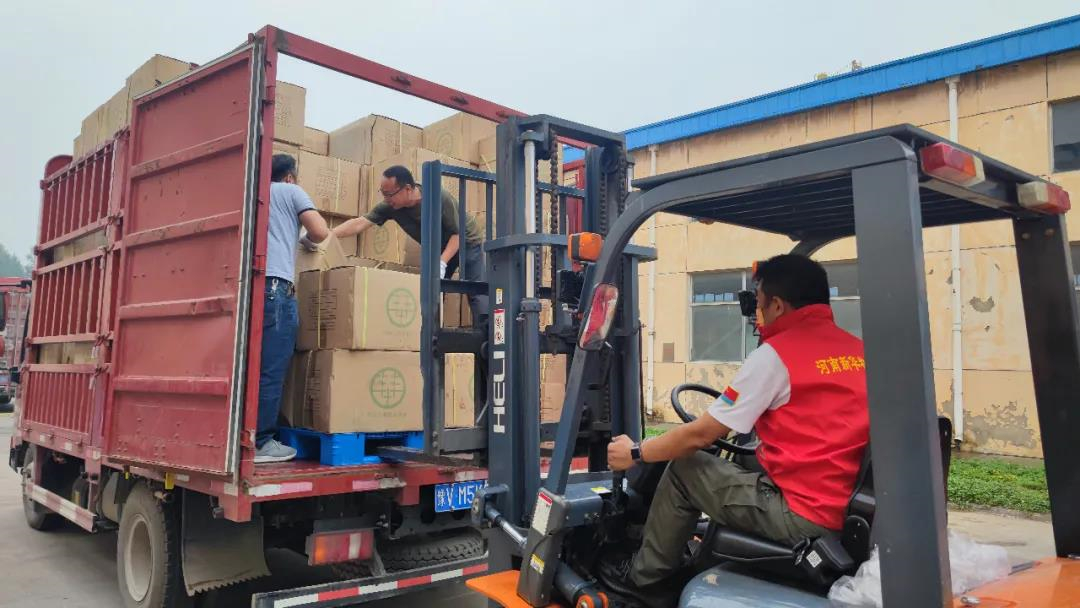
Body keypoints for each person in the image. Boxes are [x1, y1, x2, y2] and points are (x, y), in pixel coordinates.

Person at [601, 254, 870, 604]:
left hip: (805, 516)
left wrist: (636, 453)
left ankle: (644, 577)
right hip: (843, 507)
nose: (756, 314)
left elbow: (701, 434)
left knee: (687, 467)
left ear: (777, 305)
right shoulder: (857, 351)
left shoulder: (776, 356)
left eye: (758, 303)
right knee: (737, 462)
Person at [331, 165, 488, 325]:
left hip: (466, 241)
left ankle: (488, 336)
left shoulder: (437, 197)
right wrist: (328, 235)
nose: (386, 199)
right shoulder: (391, 206)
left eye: (389, 194)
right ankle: (430, 336)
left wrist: (442, 263)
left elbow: (457, 234)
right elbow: (360, 222)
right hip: (439, 247)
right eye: (383, 193)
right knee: (431, 292)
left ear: (407, 189)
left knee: (477, 293)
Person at [256, 154, 330, 464]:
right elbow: (320, 231)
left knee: (250, 367)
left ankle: (240, 435)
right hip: (276, 289)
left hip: (250, 289)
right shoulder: (291, 191)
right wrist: (307, 239)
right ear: (289, 176)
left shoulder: (253, 195)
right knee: (271, 368)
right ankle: (260, 442)